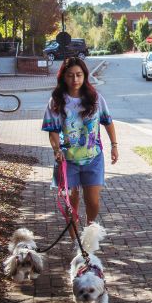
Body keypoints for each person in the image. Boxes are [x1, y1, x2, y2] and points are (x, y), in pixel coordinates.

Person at [42, 57, 118, 236]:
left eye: (79, 75)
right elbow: (52, 131)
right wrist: (56, 149)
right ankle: (76, 243)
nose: (75, 79)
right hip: (68, 161)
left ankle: (89, 236)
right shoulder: (56, 101)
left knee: (93, 201)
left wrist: (114, 145)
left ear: (85, 76)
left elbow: (108, 122)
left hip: (93, 158)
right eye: (70, 76)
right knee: (71, 204)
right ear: (63, 77)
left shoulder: (95, 99)